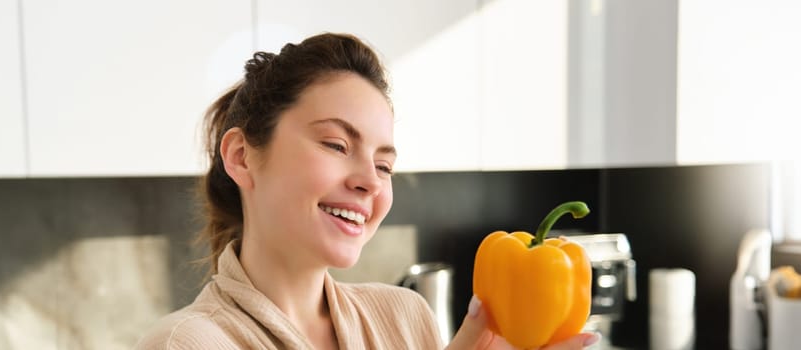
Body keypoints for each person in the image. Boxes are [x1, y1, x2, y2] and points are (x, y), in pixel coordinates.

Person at [135, 33, 600, 350]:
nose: (369, 181)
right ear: (241, 156)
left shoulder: (404, 318)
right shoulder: (190, 342)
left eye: (384, 165)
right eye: (337, 144)